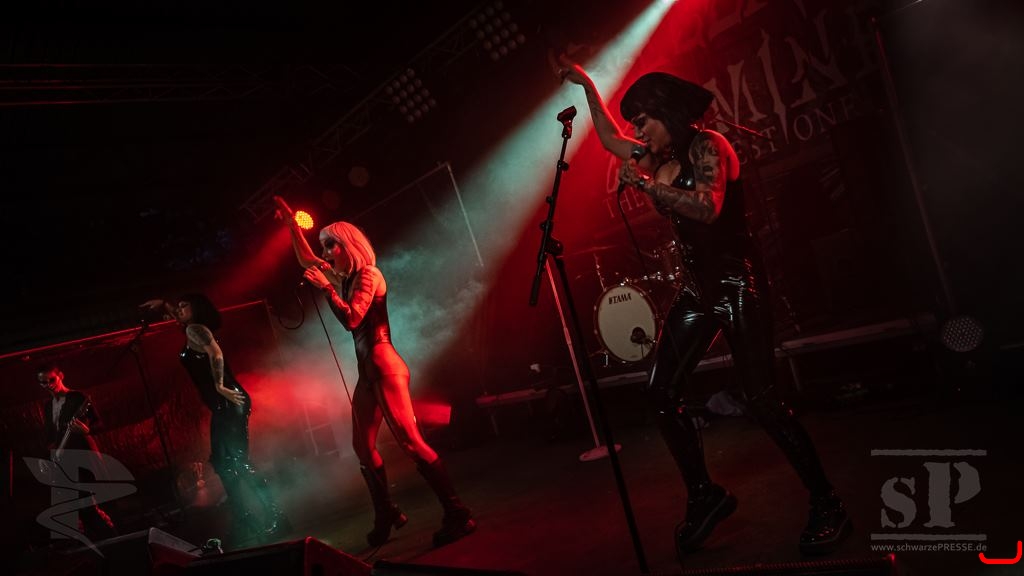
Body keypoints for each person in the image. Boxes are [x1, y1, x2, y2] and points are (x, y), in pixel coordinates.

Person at [561, 61, 852, 557]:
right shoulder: (659, 155)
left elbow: (708, 207)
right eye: (635, 125)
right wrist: (588, 86)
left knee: (762, 400)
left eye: (643, 122)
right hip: (698, 291)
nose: (637, 133)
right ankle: (705, 495)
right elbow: (609, 138)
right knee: (660, 392)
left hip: (738, 283)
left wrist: (647, 187)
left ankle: (828, 504)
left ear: (666, 113)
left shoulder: (708, 146)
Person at [273, 196, 475, 548]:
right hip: (368, 371)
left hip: (385, 367)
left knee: (411, 442)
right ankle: (387, 513)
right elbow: (306, 260)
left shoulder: (369, 275)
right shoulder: (345, 278)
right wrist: (292, 226)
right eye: (323, 245)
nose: (325, 252)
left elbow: (353, 319)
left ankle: (458, 513)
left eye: (330, 245)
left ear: (348, 245)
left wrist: (325, 289)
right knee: (362, 448)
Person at [139, 293, 288, 544]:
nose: (179, 310)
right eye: (178, 306)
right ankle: (245, 520)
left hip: (229, 402)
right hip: (223, 406)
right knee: (222, 463)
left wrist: (219, 385)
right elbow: (181, 319)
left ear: (196, 309)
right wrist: (164, 304)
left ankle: (277, 517)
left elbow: (216, 353)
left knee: (238, 462)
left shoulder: (196, 329)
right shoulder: (192, 328)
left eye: (184, 305)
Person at [37, 362, 118, 541]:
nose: (48, 385)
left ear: (61, 376)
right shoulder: (48, 406)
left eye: (51, 380)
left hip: (82, 457)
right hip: (63, 462)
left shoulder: (77, 397)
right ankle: (100, 541)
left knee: (87, 505)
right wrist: (50, 450)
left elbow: (99, 423)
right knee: (76, 507)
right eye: (43, 382)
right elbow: (50, 436)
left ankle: (112, 538)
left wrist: (87, 430)